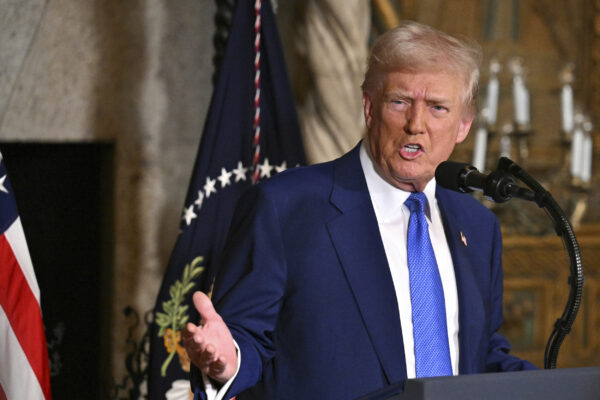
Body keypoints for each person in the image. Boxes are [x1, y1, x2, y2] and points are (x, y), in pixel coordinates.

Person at [183, 21, 536, 399]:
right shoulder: (285, 207)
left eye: (437, 107)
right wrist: (228, 361)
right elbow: (246, 338)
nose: (416, 125)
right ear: (369, 107)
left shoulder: (477, 226)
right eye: (400, 102)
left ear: (463, 125)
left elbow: (482, 355)